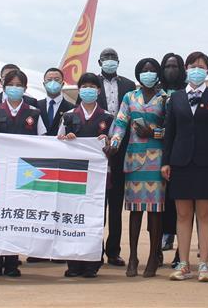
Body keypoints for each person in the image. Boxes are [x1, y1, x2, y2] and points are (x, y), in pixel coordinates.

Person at [161, 51, 208, 282]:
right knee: (183, 214)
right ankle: (183, 263)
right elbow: (170, 132)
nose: (196, 69)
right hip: (180, 162)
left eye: (201, 66)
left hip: (207, 163)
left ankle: (204, 264)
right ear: (186, 69)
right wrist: (165, 161)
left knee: (206, 214)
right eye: (192, 65)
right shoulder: (176, 98)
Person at [0, 69, 46, 277]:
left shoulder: (34, 112)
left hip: (23, 173)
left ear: (25, 88)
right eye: (11, 84)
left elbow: (43, 142)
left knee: (17, 216)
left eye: (19, 85)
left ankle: (13, 262)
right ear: (4, 87)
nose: (15, 88)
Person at [108, 58, 167, 278]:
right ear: (138, 74)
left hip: (156, 159)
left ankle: (153, 256)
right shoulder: (129, 97)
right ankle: (133, 257)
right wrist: (114, 144)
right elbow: (120, 123)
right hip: (134, 159)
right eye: (144, 70)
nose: (148, 73)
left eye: (152, 70)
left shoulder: (164, 98)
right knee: (134, 211)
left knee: (155, 212)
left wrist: (153, 133)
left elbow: (169, 129)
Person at [58, 72, 114, 278]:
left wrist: (107, 142)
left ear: (98, 91)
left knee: (95, 219)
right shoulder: (69, 116)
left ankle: (92, 261)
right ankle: (73, 263)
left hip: (99, 178)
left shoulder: (108, 117)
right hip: (73, 176)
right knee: (73, 218)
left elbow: (114, 144)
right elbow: (57, 142)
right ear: (79, 90)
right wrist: (66, 138)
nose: (88, 90)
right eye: (84, 86)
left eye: (92, 86)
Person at [93, 48, 135, 267]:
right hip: (97, 151)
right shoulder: (91, 84)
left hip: (120, 151)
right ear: (99, 61)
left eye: (113, 59)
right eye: (106, 58)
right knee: (97, 205)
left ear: (118, 62)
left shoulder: (129, 86)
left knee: (116, 204)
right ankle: (95, 250)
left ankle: (113, 251)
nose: (110, 62)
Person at [159, 53, 186, 263]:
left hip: (180, 154)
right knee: (159, 205)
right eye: (167, 66)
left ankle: (180, 252)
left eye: (175, 66)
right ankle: (158, 248)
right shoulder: (154, 91)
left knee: (182, 205)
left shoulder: (187, 91)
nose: (171, 70)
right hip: (155, 153)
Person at [38, 68, 74, 136]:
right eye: (49, 80)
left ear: (62, 84)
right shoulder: (36, 106)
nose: (53, 82)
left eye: (57, 80)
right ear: (44, 84)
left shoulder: (72, 109)